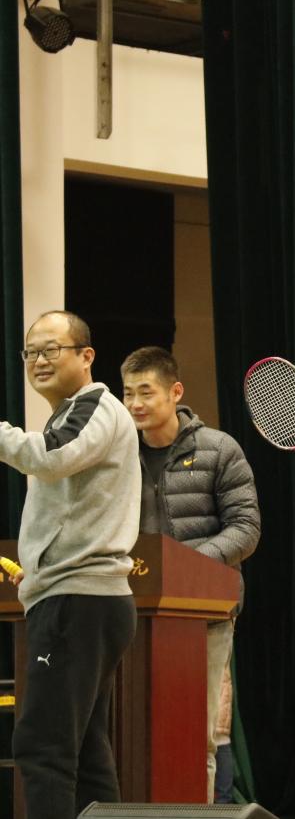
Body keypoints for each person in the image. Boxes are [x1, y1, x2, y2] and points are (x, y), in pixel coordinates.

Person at [0, 311, 138, 819]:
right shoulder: (71, 414)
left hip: (79, 599)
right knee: (84, 752)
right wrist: (36, 571)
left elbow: (49, 457)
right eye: (31, 352)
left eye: (50, 349)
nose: (38, 360)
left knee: (43, 747)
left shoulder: (94, 405)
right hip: (79, 597)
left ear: (86, 356)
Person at [120, 346, 260, 802]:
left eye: (146, 392)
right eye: (128, 394)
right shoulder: (118, 454)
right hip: (130, 611)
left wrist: (183, 565)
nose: (135, 404)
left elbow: (246, 529)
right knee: (130, 730)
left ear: (175, 392)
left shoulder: (218, 449)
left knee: (194, 734)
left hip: (204, 614)